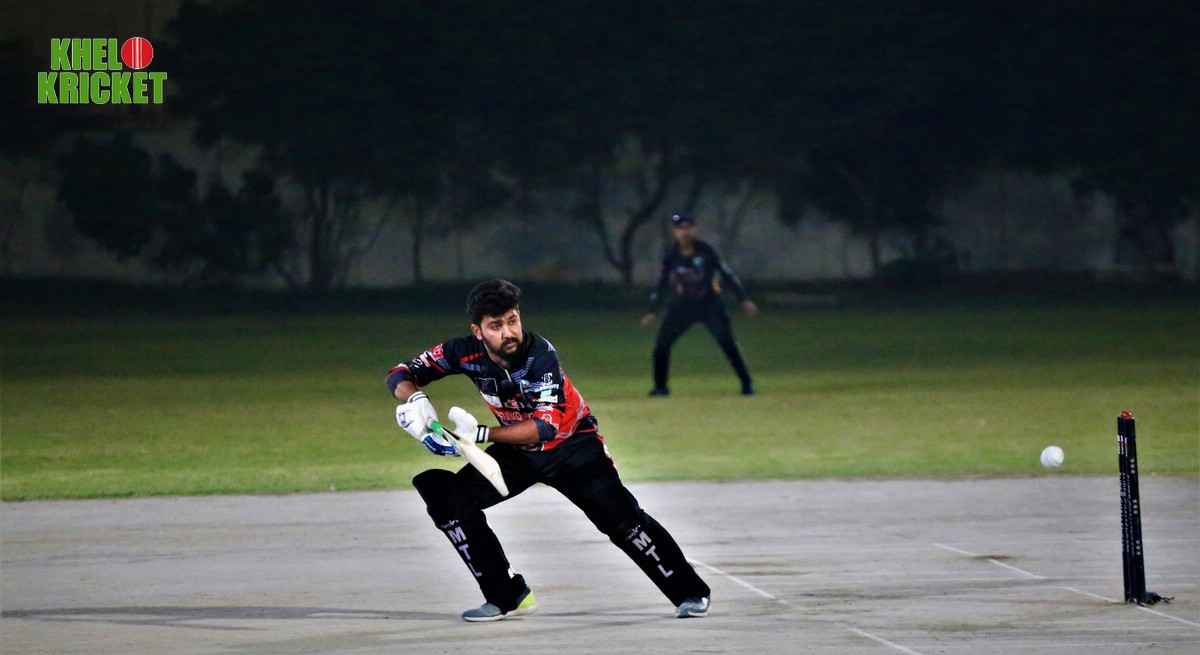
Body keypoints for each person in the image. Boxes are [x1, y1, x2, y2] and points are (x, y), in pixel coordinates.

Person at [386, 279, 712, 622]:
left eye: (513, 320)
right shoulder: (462, 351)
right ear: (477, 331)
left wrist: (479, 434)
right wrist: (415, 398)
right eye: (496, 326)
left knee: (622, 521)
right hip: (518, 453)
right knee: (446, 499)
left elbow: (545, 428)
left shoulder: (539, 355)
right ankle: (508, 596)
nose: (508, 332)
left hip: (573, 447)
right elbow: (399, 373)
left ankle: (691, 592)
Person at [641, 213, 758, 396]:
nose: (684, 232)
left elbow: (726, 275)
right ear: (675, 232)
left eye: (688, 228)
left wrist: (743, 299)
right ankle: (660, 386)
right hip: (684, 306)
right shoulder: (671, 256)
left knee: (726, 342)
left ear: (695, 230)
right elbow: (662, 283)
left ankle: (746, 383)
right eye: (680, 228)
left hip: (710, 304)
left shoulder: (706, 251)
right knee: (662, 344)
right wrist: (652, 311)